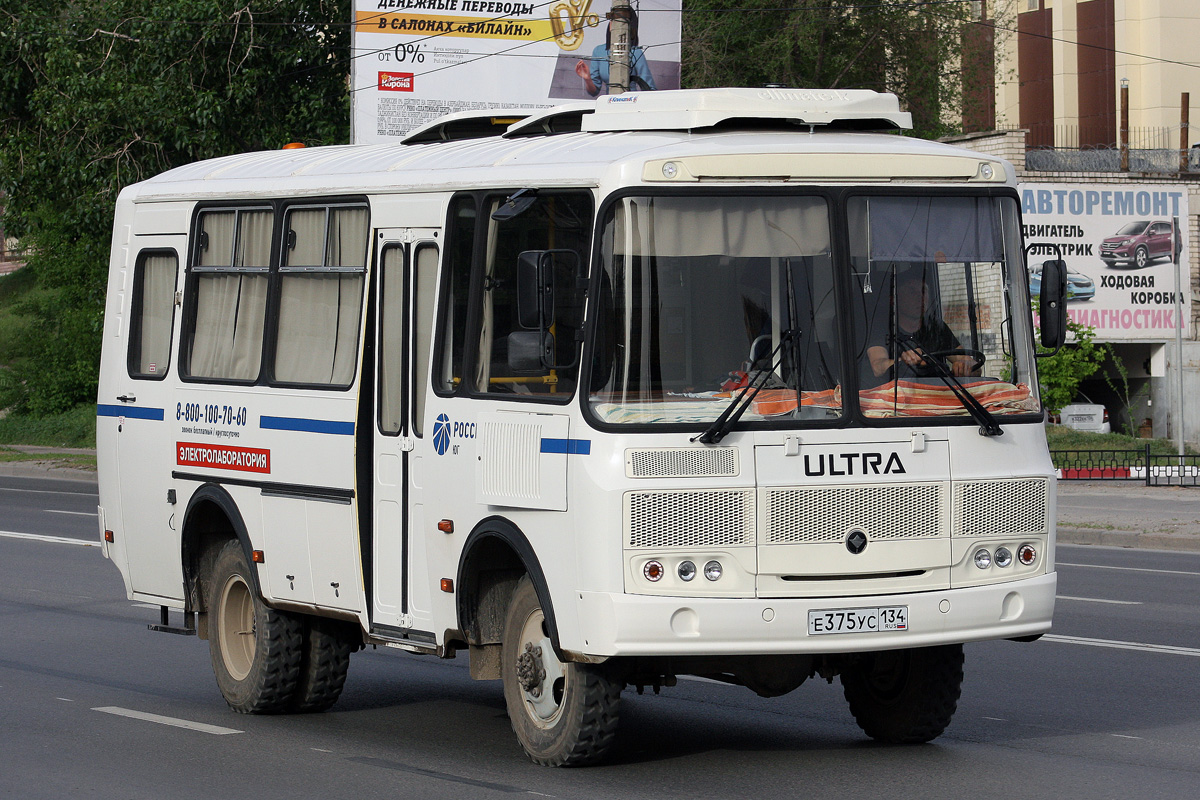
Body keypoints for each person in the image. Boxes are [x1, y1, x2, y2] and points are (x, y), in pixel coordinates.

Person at [866, 267, 973, 379]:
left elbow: (970, 363)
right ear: (894, 299)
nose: (920, 297)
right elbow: (878, 367)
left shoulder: (934, 326)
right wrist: (904, 360)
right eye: (912, 292)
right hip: (893, 394)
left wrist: (966, 365)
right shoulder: (882, 327)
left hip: (932, 393)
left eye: (923, 291)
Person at [574, 6, 657, 96]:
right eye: (614, 22)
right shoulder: (598, 51)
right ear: (610, 25)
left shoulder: (636, 52)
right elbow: (594, 91)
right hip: (609, 102)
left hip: (631, 102)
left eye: (623, 24)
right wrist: (587, 79)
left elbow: (649, 88)